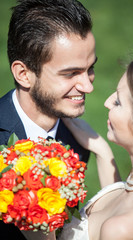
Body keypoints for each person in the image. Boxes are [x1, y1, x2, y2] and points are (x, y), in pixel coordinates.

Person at [0, 0, 97, 239]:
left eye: (90, 69)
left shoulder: (77, 142)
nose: (87, 86)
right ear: (24, 74)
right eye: (71, 73)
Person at [58, 52, 133, 240]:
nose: (107, 103)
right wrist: (100, 148)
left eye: (118, 102)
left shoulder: (120, 230)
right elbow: (117, 196)